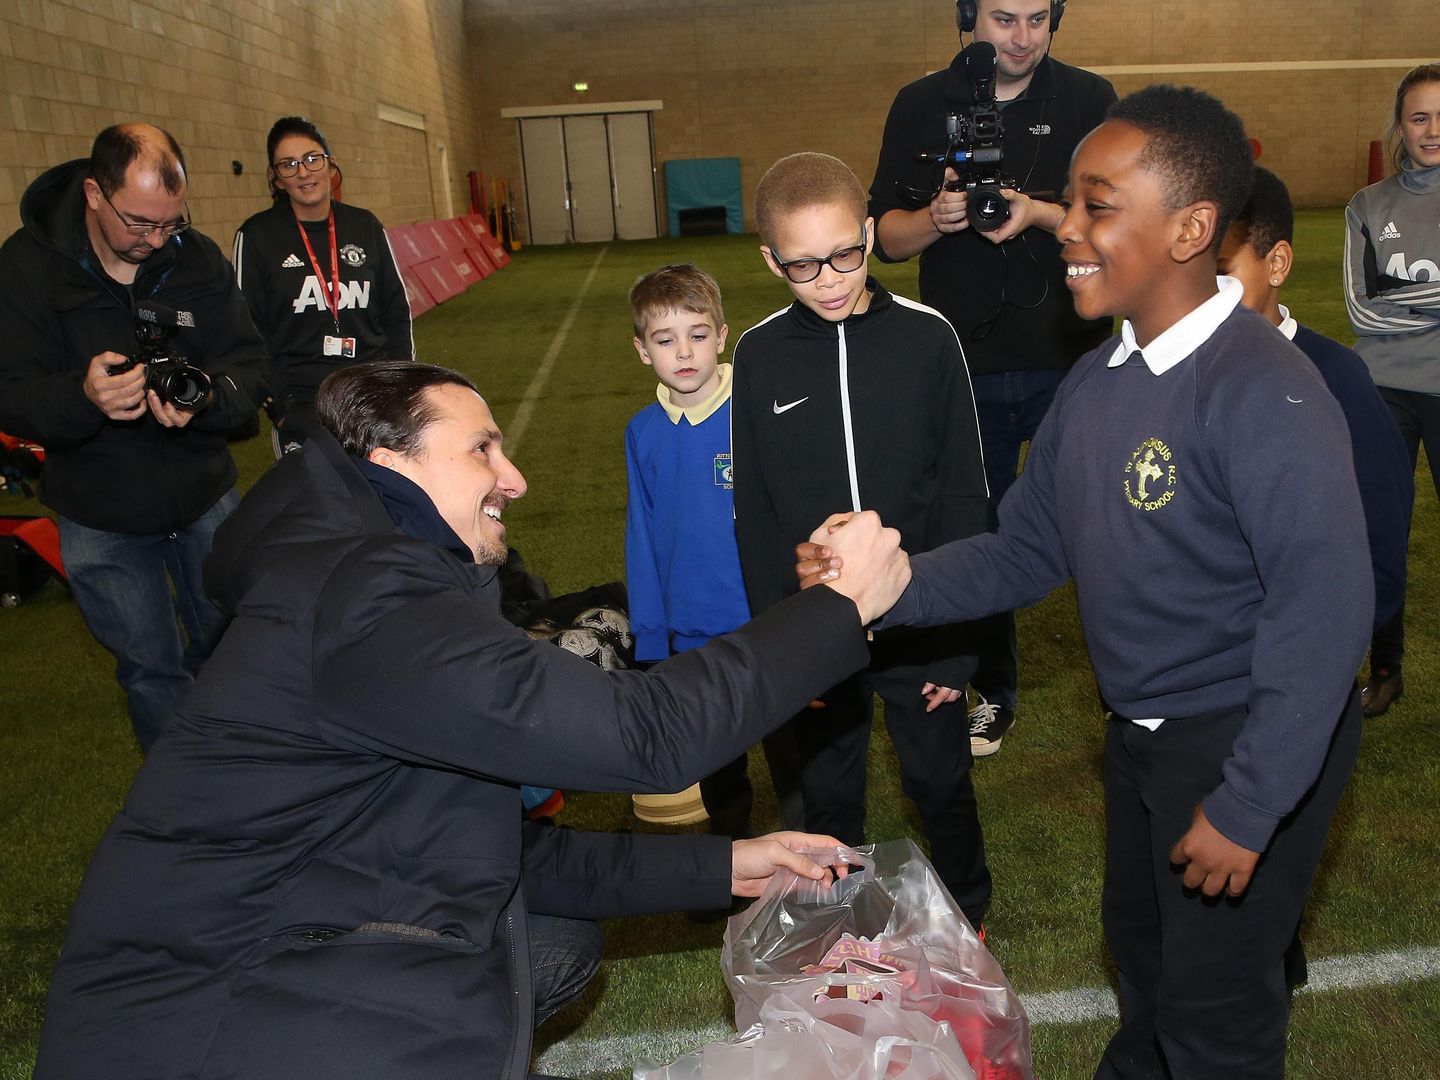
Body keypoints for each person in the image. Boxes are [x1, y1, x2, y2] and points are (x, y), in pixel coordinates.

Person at [32, 360, 910, 1080]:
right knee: (518, 959)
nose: (515, 478)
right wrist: (840, 607)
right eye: (483, 448)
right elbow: (648, 733)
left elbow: (495, 849)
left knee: (550, 941)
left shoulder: (354, 572)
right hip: (208, 1015)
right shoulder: (365, 593)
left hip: (273, 938)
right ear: (388, 462)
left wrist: (724, 862)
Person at [803, 86, 1371, 1078]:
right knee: (1148, 965)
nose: (1066, 225)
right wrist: (887, 585)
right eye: (1072, 200)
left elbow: (1324, 613)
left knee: (1217, 1017)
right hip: (1147, 737)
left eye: (1097, 205)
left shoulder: (1263, 392)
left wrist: (1249, 804)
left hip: (1243, 734)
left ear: (1191, 228)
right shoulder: (1102, 380)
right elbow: (1025, 547)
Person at [730, 152, 993, 933]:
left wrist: (959, 645)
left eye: (846, 253)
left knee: (938, 779)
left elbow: (964, 495)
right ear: (771, 260)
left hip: (922, 618)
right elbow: (757, 512)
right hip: (817, 629)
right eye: (804, 266)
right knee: (826, 793)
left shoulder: (928, 338)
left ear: (872, 234)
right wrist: (784, 645)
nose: (832, 278)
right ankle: (835, 923)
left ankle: (965, 907)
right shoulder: (758, 354)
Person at [867, 0, 1117, 755]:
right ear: (968, 19)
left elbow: (1112, 215)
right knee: (982, 535)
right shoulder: (919, 103)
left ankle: (1131, 686)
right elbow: (884, 238)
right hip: (963, 366)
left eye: (1038, 19)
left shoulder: (1089, 100)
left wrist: (1036, 213)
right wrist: (937, 219)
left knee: (1110, 524)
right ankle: (994, 691)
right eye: (1005, 19)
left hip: (1072, 358)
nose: (1022, 36)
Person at [0, 123, 270, 752]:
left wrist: (206, 398)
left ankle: (250, 786)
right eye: (140, 224)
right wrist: (81, 396)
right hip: (100, 512)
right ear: (95, 194)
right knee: (151, 672)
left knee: (235, 648)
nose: (156, 240)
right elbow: (10, 389)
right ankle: (182, 813)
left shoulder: (194, 255)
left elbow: (251, 365)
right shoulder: (26, 267)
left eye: (169, 224)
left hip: (205, 496)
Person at [624, 263, 804, 840]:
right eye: (664, 338)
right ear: (641, 349)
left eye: (698, 335)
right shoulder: (642, 432)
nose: (684, 352)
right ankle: (729, 871)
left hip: (766, 621)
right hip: (692, 634)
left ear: (722, 337)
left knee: (793, 752)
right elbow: (643, 535)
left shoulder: (752, 413)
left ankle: (818, 864)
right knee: (719, 764)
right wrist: (652, 637)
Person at [1343, 63, 1440, 717]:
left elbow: (1388, 301)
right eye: (1420, 116)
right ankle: (1385, 668)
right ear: (1400, 127)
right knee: (1380, 533)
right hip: (1385, 390)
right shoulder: (1367, 206)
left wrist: (1402, 296)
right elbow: (1361, 309)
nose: (1433, 130)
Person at [233, 115, 413, 455]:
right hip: (302, 401)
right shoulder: (257, 236)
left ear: (330, 164)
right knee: (319, 506)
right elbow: (248, 328)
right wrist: (279, 406)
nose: (303, 172)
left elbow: (395, 311)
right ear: (276, 178)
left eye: (312, 158)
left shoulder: (365, 226)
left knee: (382, 501)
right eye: (288, 164)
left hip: (369, 392)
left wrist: (397, 386)